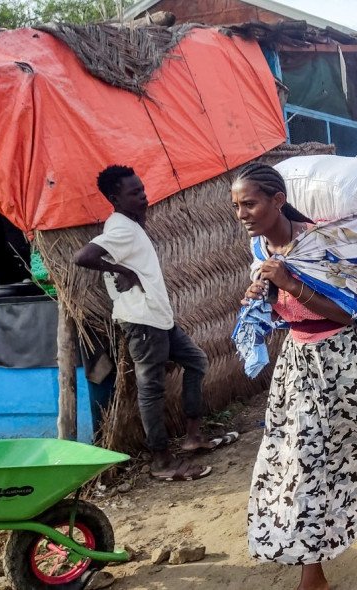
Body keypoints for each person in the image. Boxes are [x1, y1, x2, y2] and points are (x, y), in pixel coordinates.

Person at [233, 163, 357, 590]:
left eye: (250, 203)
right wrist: (259, 298)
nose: (242, 213)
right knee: (301, 460)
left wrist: (289, 282)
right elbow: (281, 312)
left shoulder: (324, 243)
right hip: (299, 366)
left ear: (277, 201)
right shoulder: (262, 252)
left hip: (350, 358)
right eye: (237, 206)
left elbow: (350, 313)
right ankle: (313, 574)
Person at [73, 165, 227, 482]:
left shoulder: (130, 225)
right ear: (115, 198)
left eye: (142, 190)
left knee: (196, 361)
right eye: (135, 193)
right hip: (143, 323)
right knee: (150, 391)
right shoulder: (120, 230)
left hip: (158, 318)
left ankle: (192, 436)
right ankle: (161, 460)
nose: (143, 197)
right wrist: (123, 271)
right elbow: (83, 256)